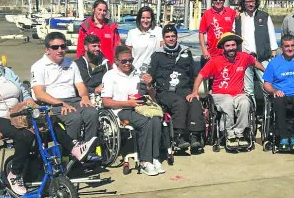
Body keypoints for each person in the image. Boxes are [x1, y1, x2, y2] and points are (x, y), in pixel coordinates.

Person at [0, 41, 95, 195]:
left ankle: (74, 148)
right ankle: (15, 174)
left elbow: (23, 92)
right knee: (25, 135)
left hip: (19, 114)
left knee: (49, 120)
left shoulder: (6, 72)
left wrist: (29, 100)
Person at [186, 32, 265, 148]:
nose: (231, 48)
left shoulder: (244, 57)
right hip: (220, 95)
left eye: (233, 45)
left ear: (236, 45)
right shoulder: (215, 61)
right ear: (223, 47)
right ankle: (229, 133)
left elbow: (256, 63)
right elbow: (200, 75)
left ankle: (240, 133)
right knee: (228, 102)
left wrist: (268, 76)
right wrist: (194, 92)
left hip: (239, 94)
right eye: (228, 46)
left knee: (245, 102)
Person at [101, 46, 164, 176]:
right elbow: (105, 102)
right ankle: (145, 161)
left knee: (156, 119)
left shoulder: (137, 73)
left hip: (139, 107)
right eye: (124, 61)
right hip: (120, 109)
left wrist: (149, 85)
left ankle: (155, 157)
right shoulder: (110, 76)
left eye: (130, 60)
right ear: (116, 61)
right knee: (145, 122)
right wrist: (128, 103)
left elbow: (151, 96)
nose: (128, 63)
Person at [31, 32, 99, 145]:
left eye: (63, 46)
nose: (60, 50)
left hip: (73, 99)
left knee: (92, 113)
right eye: (55, 47)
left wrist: (85, 97)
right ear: (47, 50)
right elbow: (39, 93)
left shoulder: (71, 64)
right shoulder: (39, 66)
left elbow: (80, 85)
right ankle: (70, 152)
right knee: (74, 118)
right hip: (52, 103)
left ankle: (89, 147)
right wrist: (60, 103)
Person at [147, 24, 205, 152]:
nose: (171, 39)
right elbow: (151, 74)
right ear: (164, 39)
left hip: (183, 88)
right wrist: (149, 79)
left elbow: (193, 74)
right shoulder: (157, 55)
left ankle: (195, 136)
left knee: (194, 101)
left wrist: (194, 91)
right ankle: (178, 136)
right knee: (178, 103)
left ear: (177, 37)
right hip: (165, 90)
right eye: (168, 37)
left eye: (173, 36)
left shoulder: (186, 52)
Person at [234, 0, 278, 101]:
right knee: (248, 90)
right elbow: (233, 35)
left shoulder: (264, 16)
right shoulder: (238, 18)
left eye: (253, 1)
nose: (250, 4)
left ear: (256, 2)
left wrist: (273, 55)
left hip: (262, 58)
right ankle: (251, 114)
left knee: (267, 87)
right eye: (248, 1)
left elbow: (272, 36)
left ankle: (268, 113)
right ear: (243, 3)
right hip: (245, 58)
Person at [198, 0, 237, 66]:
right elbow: (201, 33)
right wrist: (204, 50)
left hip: (228, 52)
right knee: (211, 77)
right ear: (212, 0)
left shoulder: (231, 12)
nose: (218, 1)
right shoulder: (207, 14)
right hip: (212, 53)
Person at [76, 0, 121, 65]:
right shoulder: (85, 27)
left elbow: (118, 46)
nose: (102, 13)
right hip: (92, 65)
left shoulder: (111, 27)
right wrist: (81, 64)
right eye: (99, 10)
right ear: (93, 9)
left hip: (109, 64)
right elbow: (80, 48)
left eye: (104, 10)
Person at [126, 6, 163, 72]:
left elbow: (162, 51)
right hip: (136, 71)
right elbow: (127, 54)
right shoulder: (132, 33)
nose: (145, 21)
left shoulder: (158, 31)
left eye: (148, 18)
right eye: (143, 18)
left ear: (152, 19)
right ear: (139, 19)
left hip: (154, 71)